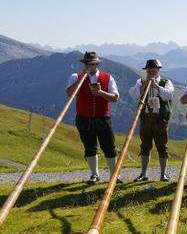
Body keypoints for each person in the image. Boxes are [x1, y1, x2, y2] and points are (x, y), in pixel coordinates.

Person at [66, 51, 121, 185]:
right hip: (84, 118)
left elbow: (115, 98)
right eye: (86, 63)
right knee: (89, 147)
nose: (89, 65)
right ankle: (94, 175)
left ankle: (114, 175)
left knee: (109, 147)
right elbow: (69, 93)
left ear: (96, 64)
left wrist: (100, 92)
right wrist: (81, 79)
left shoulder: (107, 77)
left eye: (92, 63)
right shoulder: (75, 76)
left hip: (103, 118)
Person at [129, 59, 174, 182]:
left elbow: (168, 95)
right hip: (146, 119)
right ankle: (143, 173)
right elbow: (133, 94)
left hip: (160, 119)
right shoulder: (141, 82)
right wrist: (145, 85)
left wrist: (157, 87)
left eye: (153, 70)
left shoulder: (166, 82)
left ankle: (163, 174)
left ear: (158, 70)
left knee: (162, 146)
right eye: (149, 70)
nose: (151, 72)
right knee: (145, 146)